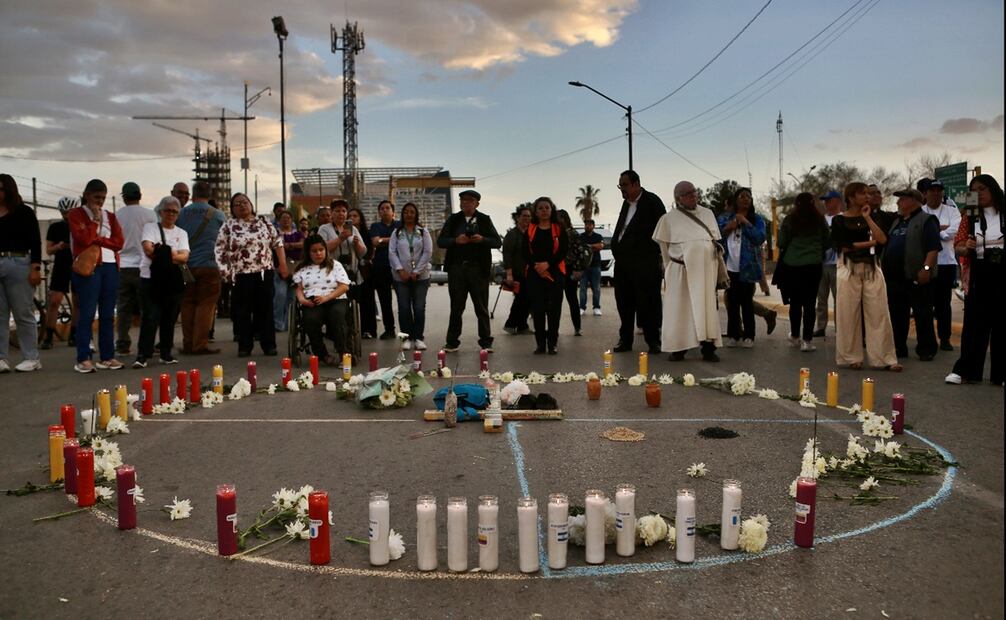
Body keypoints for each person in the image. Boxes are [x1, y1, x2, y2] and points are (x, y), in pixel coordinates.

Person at [830, 182, 901, 371]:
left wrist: (868, 218)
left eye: (868, 194)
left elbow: (883, 240)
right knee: (848, 313)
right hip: (848, 268)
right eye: (863, 194)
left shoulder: (874, 216)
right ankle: (851, 357)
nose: (867, 197)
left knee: (879, 312)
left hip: (872, 268)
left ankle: (885, 358)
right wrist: (869, 243)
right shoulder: (839, 220)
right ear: (851, 197)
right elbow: (843, 246)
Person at [652, 181, 722, 362]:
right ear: (678, 199)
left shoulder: (707, 214)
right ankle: (678, 348)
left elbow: (714, 240)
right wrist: (670, 270)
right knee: (679, 310)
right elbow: (664, 249)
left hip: (705, 272)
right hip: (679, 271)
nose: (693, 195)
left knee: (706, 310)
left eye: (694, 191)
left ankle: (708, 347)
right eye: (688, 193)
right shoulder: (667, 219)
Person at [946, 174, 1003, 385]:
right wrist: (966, 247)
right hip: (979, 271)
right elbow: (958, 245)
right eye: (974, 189)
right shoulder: (969, 216)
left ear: (993, 190)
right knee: (974, 323)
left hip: (1001, 271)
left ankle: (1000, 374)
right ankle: (967, 371)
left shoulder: (1003, 213)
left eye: (983, 188)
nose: (978, 193)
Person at [215, 193, 288, 357]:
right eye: (237, 204)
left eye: (245, 202)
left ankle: (268, 344)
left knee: (265, 308)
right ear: (233, 209)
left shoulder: (263, 222)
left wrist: (282, 264)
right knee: (243, 311)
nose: (242, 206)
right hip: (241, 273)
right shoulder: (229, 225)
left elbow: (278, 244)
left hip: (264, 271)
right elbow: (220, 250)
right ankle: (244, 345)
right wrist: (225, 272)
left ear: (251, 204)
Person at [68, 179, 125, 373]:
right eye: (96, 197)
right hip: (89, 267)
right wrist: (93, 222)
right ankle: (83, 357)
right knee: (87, 312)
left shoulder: (110, 216)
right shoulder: (76, 214)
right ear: (86, 195)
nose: (99, 202)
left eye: (102, 198)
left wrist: (98, 239)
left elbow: (119, 242)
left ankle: (107, 356)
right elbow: (83, 238)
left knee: (108, 314)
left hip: (110, 266)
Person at [437, 189, 502, 352]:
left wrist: (482, 239)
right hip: (457, 268)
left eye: (469, 200)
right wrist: (455, 240)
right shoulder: (453, 219)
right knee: (456, 307)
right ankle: (452, 341)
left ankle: (486, 342)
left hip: (478, 269)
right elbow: (441, 241)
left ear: (476, 203)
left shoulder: (484, 220)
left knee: (481, 307)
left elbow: (497, 242)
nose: (465, 202)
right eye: (462, 200)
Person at [882, 188, 941, 361]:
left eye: (902, 199)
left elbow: (933, 247)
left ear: (913, 200)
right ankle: (899, 348)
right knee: (897, 315)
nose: (898, 202)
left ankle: (926, 349)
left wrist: (927, 269)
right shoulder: (897, 222)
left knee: (922, 314)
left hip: (917, 276)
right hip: (895, 277)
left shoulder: (926, 220)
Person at [611, 170, 665, 353]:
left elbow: (662, 231)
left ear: (636, 184)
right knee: (624, 303)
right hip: (624, 264)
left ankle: (653, 341)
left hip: (645, 265)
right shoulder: (626, 205)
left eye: (624, 185)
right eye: (620, 186)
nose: (622, 189)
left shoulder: (652, 202)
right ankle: (625, 340)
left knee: (647, 304)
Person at [134, 196, 190, 367]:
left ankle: (166, 353)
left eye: (175, 211)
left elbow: (185, 257)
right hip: (150, 279)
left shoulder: (182, 233)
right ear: (161, 211)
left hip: (172, 281)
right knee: (150, 317)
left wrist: (164, 253)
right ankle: (143, 354)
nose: (171, 214)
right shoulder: (151, 227)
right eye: (168, 210)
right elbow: (148, 249)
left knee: (169, 317)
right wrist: (173, 254)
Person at [176, 180, 225, 355]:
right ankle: (200, 344)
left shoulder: (181, 213)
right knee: (206, 304)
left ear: (193, 195)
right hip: (210, 265)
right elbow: (225, 239)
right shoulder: (218, 215)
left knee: (187, 303)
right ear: (209, 195)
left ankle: (188, 343)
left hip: (186, 265)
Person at [0, 173, 43, 372]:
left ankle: (31, 357)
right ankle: (2, 358)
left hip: (18, 262)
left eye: (0, 189)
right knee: (0, 314)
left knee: (22, 311)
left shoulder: (23, 212)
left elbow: (35, 240)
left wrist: (35, 267)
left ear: (8, 190)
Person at [777, 192, 830, 351]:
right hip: (813, 265)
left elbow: (781, 242)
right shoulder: (820, 220)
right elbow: (828, 241)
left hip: (792, 265)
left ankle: (794, 336)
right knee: (809, 303)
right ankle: (807, 341)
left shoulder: (789, 220)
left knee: (795, 303)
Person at [717, 187, 766, 348]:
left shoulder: (756, 219)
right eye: (742, 196)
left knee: (746, 302)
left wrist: (745, 223)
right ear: (736, 199)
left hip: (748, 267)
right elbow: (717, 235)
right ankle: (734, 334)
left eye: (748, 197)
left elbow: (759, 238)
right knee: (732, 302)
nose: (745, 199)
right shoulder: (726, 218)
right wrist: (731, 225)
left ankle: (749, 336)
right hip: (729, 267)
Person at [293, 235, 351, 366]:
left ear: (325, 250)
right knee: (309, 320)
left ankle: (344, 354)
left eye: (321, 250)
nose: (318, 253)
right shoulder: (301, 268)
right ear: (308, 252)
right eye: (314, 251)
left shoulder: (335, 265)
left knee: (337, 315)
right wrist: (302, 300)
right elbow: (298, 289)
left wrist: (327, 297)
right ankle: (322, 354)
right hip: (313, 301)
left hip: (335, 298)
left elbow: (344, 286)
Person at [113, 181, 156, 355]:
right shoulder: (150, 215)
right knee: (147, 307)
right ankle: (147, 345)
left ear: (124, 197)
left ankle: (123, 344)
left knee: (123, 308)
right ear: (139, 195)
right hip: (144, 266)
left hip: (122, 266)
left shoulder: (116, 216)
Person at [922, 179, 962, 351]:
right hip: (926, 262)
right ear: (925, 193)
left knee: (944, 304)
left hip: (946, 262)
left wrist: (934, 231)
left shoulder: (952, 211)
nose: (936, 193)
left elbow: (954, 231)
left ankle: (944, 339)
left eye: (939, 190)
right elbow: (920, 234)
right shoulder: (921, 211)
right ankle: (927, 340)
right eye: (932, 190)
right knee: (925, 303)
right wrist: (942, 229)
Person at [524, 197, 567, 354]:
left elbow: (563, 250)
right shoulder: (530, 228)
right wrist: (537, 267)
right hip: (535, 274)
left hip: (555, 272)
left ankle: (553, 343)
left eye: (547, 207)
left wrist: (548, 264)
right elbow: (525, 251)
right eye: (540, 208)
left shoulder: (559, 228)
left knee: (554, 309)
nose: (544, 211)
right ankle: (540, 344)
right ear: (535, 211)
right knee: (538, 309)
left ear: (552, 209)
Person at [388, 202, 433, 350]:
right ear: (402, 214)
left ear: (416, 214)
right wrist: (401, 270)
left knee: (419, 307)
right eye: (406, 212)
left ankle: (419, 338)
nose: (409, 214)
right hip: (401, 277)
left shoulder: (423, 232)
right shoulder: (397, 232)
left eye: (412, 212)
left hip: (421, 277)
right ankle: (406, 338)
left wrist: (416, 271)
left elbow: (427, 252)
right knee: (404, 307)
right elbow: (392, 253)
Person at [40, 197, 79, 350]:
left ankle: (74, 334)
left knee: (78, 301)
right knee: (54, 300)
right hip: (61, 265)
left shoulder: (80, 226)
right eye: (63, 212)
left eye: (68, 212)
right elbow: (48, 250)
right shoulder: (55, 227)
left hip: (77, 264)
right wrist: (58, 246)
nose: (66, 215)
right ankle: (49, 335)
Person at [813, 190, 843, 337]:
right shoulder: (821, 220)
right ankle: (821, 326)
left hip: (839, 264)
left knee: (840, 298)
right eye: (825, 201)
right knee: (821, 298)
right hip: (822, 263)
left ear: (837, 201)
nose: (826, 203)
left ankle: (840, 327)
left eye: (829, 200)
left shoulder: (843, 218)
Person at [369, 200, 399, 339]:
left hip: (399, 266)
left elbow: (403, 239)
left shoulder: (400, 225)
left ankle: (408, 331)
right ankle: (389, 329)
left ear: (393, 211)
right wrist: (394, 238)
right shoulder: (375, 226)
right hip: (381, 267)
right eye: (382, 208)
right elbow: (375, 241)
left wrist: (383, 240)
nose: (385, 210)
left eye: (387, 208)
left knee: (403, 300)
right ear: (379, 212)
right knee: (385, 301)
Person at [347, 206, 377, 338]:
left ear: (360, 219)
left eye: (355, 216)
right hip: (349, 270)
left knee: (367, 301)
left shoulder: (365, 233)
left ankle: (368, 329)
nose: (352, 218)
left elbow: (369, 251)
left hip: (364, 271)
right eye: (350, 216)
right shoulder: (343, 232)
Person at [502, 205, 532, 335]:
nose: (527, 218)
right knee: (520, 299)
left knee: (528, 299)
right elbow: (507, 255)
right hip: (517, 273)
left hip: (530, 272)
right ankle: (510, 324)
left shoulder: (530, 233)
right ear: (518, 218)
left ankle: (522, 325)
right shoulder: (512, 234)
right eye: (524, 216)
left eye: (529, 216)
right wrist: (509, 274)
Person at [273, 210, 304, 332]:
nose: (286, 220)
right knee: (280, 295)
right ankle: (277, 323)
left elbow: (303, 244)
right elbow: (276, 246)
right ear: (279, 220)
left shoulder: (299, 233)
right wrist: (293, 245)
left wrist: (288, 245)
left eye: (288, 218)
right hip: (279, 268)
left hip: (295, 268)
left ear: (292, 220)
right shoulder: (276, 233)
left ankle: (288, 324)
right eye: (283, 218)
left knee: (292, 297)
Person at [556, 209, 585, 336]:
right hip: (557, 270)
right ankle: (554, 328)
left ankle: (577, 327)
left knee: (572, 299)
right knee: (556, 301)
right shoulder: (554, 234)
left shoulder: (573, 233)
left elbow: (580, 252)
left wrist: (578, 269)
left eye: (560, 218)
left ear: (565, 219)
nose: (558, 220)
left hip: (570, 269)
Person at [578, 218, 604, 316]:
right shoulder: (581, 236)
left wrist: (588, 246)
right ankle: (582, 308)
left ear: (593, 226)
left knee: (596, 288)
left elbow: (600, 246)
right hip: (583, 267)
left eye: (589, 224)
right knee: (582, 289)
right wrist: (593, 247)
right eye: (586, 224)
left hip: (595, 266)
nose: (587, 226)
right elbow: (579, 247)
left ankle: (596, 308)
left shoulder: (598, 236)